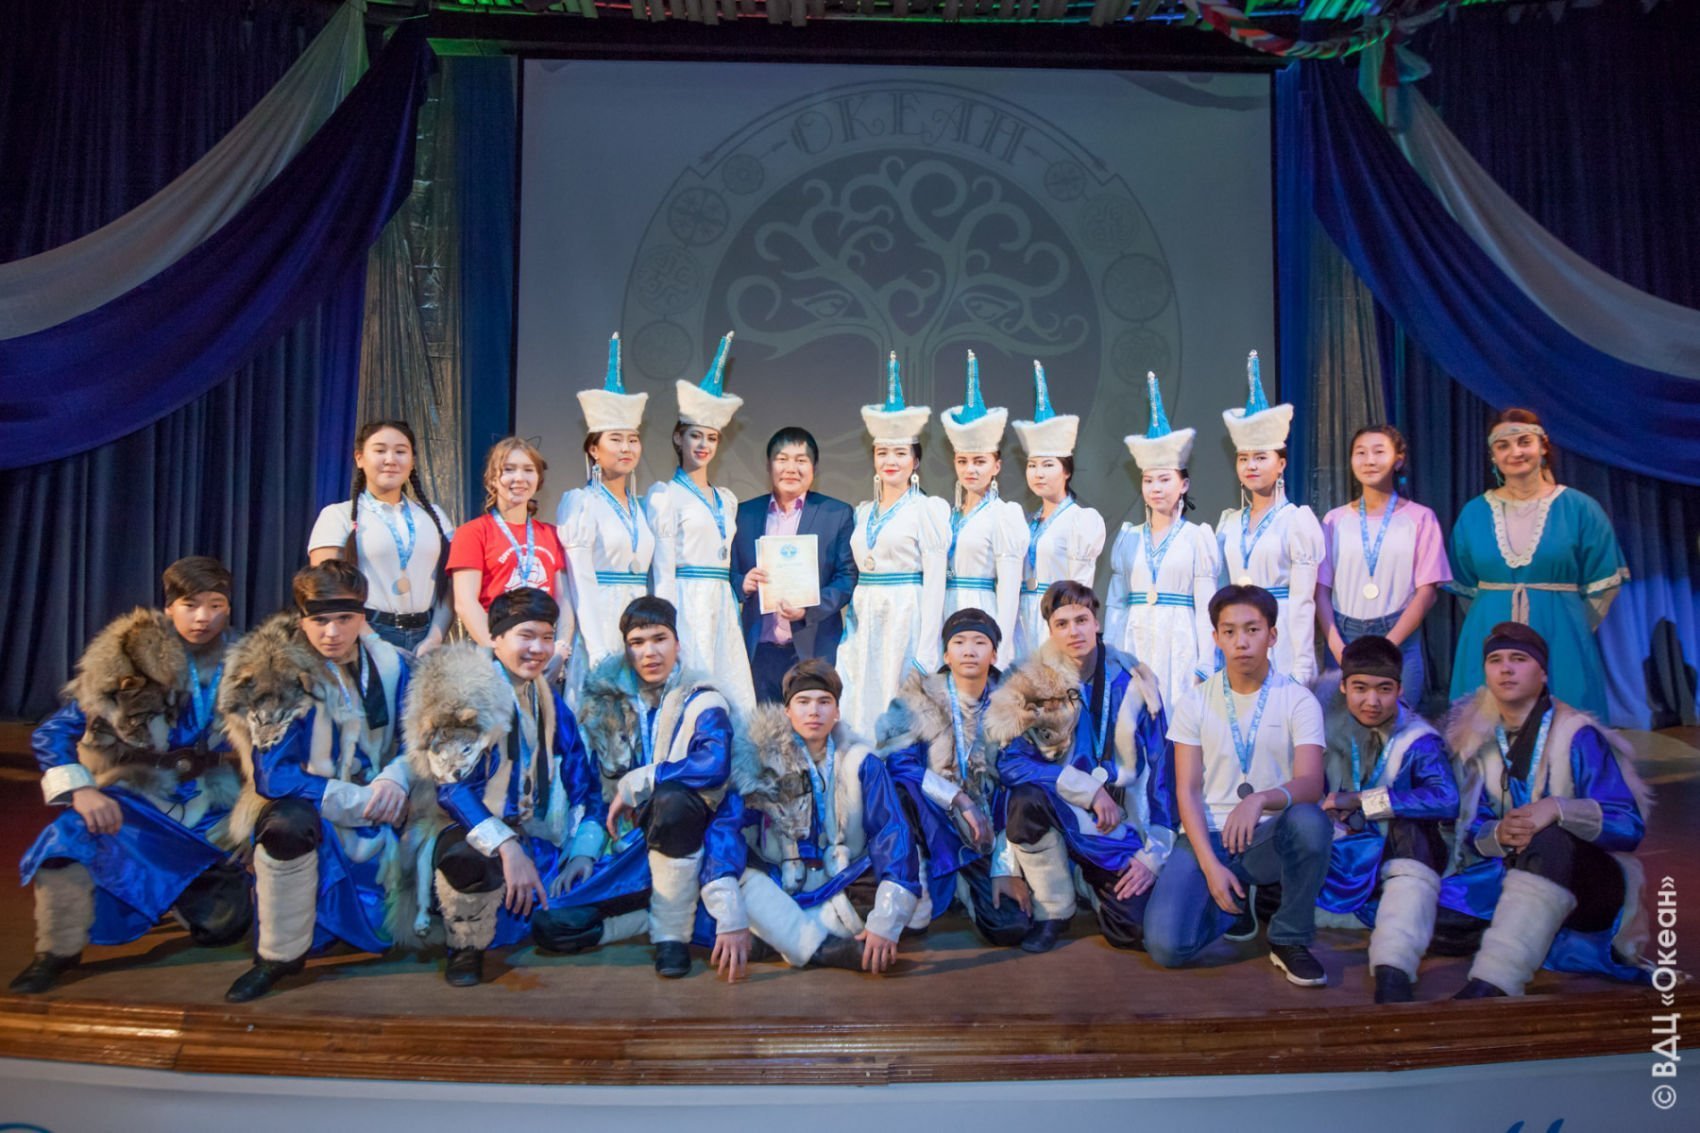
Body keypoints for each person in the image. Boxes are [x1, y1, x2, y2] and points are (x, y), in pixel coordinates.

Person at [12, 557, 251, 994]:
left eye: (216, 605)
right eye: (190, 605)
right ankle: (56, 952)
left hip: (211, 810)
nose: (203, 617)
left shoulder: (248, 663)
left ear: (229, 608)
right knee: (67, 837)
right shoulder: (127, 657)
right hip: (140, 801)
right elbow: (53, 732)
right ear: (169, 607)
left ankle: (180, 894)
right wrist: (80, 790)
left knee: (224, 928)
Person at [219, 561, 419, 1002]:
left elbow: (418, 739)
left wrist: (397, 779)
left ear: (363, 616)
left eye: (345, 618)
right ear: (301, 619)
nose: (332, 633)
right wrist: (355, 800)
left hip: (384, 802)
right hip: (310, 800)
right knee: (285, 826)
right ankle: (276, 957)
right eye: (320, 620)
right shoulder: (275, 674)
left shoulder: (392, 665)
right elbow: (274, 776)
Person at [403, 588, 605, 987]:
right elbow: (453, 790)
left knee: (614, 870)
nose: (539, 649)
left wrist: (583, 850)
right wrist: (506, 846)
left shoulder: (548, 700)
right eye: (526, 635)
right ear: (495, 638)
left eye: (547, 637)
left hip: (532, 836)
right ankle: (465, 945)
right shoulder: (464, 694)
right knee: (469, 855)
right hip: (461, 830)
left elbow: (585, 784)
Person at [1441, 622, 1651, 998]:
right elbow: (1469, 828)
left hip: (1586, 882)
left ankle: (1495, 979)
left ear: (1543, 673)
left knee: (1549, 839)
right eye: (1495, 660)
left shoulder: (1577, 735)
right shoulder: (1479, 740)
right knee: (1425, 909)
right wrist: (1498, 833)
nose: (1506, 669)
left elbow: (1629, 825)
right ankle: (1522, 936)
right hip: (1508, 874)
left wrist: (1557, 809)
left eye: (1518, 659)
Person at [1144, 584, 1333, 987]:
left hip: (1266, 836)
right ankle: (1234, 899)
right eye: (1229, 632)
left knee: (1310, 821)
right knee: (1166, 948)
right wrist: (1210, 867)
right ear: (1216, 638)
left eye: (1252, 630)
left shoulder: (1298, 700)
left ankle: (1289, 938)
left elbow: (1311, 783)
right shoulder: (1195, 701)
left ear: (1272, 635)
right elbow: (1186, 791)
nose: (1241, 642)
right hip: (1208, 834)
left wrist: (1261, 800)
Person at [983, 580, 1175, 954]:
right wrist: (1084, 788)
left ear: (1097, 623)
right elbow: (1010, 763)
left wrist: (1155, 853)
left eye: (1081, 620)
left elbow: (1161, 769)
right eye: (1062, 624)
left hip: (1114, 825)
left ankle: (1088, 879)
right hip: (1058, 810)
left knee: (1131, 931)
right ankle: (1054, 908)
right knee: (1024, 799)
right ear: (1051, 631)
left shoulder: (1132, 683)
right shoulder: (1029, 684)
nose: (1074, 632)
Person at [573, 596, 738, 978]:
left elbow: (714, 765)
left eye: (659, 638)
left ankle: (671, 936)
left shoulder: (703, 699)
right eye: (637, 642)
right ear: (627, 650)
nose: (650, 652)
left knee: (672, 800)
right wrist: (583, 851)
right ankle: (641, 918)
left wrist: (641, 780)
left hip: (690, 840)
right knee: (555, 926)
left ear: (677, 643)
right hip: (626, 845)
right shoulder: (605, 705)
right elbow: (596, 791)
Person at [723, 659, 923, 973]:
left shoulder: (862, 762)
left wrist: (886, 921)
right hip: (780, 881)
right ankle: (825, 949)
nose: (813, 712)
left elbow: (890, 834)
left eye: (824, 702)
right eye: (803, 702)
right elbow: (728, 832)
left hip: (842, 882)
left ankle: (781, 936)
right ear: (787, 711)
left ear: (837, 711)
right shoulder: (757, 762)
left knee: (891, 887)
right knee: (729, 876)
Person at [1446, 408, 1627, 721]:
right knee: (1484, 730)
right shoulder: (1473, 513)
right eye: (1503, 445)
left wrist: (1571, 626)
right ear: (1493, 456)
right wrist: (1491, 619)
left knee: (1565, 725)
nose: (1515, 452)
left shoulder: (1580, 508)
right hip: (1488, 632)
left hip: (1561, 635)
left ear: (1543, 447)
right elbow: (1465, 587)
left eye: (1524, 442)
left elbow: (1603, 584)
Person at [1317, 635, 1459, 1003]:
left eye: (1384, 689)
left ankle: (1393, 965)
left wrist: (1365, 801)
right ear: (1343, 687)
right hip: (1342, 856)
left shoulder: (1417, 739)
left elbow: (1446, 798)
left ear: (1399, 689)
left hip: (1396, 856)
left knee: (1412, 829)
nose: (1372, 701)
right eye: (1360, 689)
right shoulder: (1321, 728)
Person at [878, 607, 1031, 947]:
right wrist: (958, 798)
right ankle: (914, 881)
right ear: (946, 655)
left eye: (980, 642)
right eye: (959, 642)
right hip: (935, 823)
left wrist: (1003, 867)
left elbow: (1016, 788)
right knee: (900, 788)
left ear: (994, 655)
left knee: (1011, 927)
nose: (969, 651)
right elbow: (900, 764)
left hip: (984, 834)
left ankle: (967, 885)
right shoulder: (918, 700)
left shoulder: (1012, 708)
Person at [834, 352, 950, 737]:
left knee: (899, 707)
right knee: (859, 701)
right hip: (865, 617)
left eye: (901, 453)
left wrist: (927, 651)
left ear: (915, 461)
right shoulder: (863, 511)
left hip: (905, 615)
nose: (891, 461)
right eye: (882, 452)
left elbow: (935, 582)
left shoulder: (928, 510)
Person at [646, 332, 756, 718]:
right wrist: (668, 628)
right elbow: (662, 571)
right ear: (679, 437)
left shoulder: (726, 499)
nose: (703, 445)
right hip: (686, 601)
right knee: (689, 693)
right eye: (695, 435)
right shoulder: (665, 496)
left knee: (730, 692)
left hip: (720, 603)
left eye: (711, 437)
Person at [1106, 372, 1219, 708]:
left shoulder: (1197, 538)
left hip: (1180, 643)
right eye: (1148, 480)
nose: (1156, 488)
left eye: (1164, 480)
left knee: (1178, 718)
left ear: (1183, 484)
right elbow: (1116, 605)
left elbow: (1207, 607)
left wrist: (1205, 663)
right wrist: (1112, 657)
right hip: (1135, 643)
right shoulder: (1128, 538)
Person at [1316, 424, 1449, 705]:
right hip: (1344, 637)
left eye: (1379, 452)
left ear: (1398, 459)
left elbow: (1427, 592)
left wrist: (1386, 645)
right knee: (1341, 725)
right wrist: (1337, 647)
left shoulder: (1421, 518)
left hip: (1399, 639)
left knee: (1398, 723)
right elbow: (1321, 590)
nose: (1369, 460)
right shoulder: (1334, 520)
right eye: (1360, 452)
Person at [1214, 351, 1325, 685]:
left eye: (1261, 457)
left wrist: (1303, 664)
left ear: (1281, 464)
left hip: (1281, 636)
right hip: (1238, 638)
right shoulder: (1229, 523)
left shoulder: (1296, 521)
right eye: (1243, 458)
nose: (1251, 466)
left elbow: (1303, 601)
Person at [557, 335, 657, 703]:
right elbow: (580, 580)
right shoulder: (581, 503)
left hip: (640, 623)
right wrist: (598, 648)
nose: (627, 448)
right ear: (594, 449)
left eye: (633, 439)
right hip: (599, 620)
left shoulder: (643, 506)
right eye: (616, 439)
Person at [731, 426, 858, 704]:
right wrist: (742, 583)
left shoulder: (836, 514)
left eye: (801, 460)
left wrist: (809, 608)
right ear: (769, 465)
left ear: (814, 468)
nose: (791, 468)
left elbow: (847, 578)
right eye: (782, 459)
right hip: (759, 649)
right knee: (762, 727)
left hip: (814, 648)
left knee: (812, 726)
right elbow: (728, 573)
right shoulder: (743, 514)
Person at [308, 419, 455, 655]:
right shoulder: (337, 515)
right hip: (365, 635)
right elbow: (327, 589)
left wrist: (435, 637)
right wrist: (374, 641)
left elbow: (451, 585)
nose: (390, 460)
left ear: (412, 461)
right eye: (380, 450)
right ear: (359, 458)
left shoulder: (435, 516)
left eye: (401, 452)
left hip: (427, 636)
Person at [1011, 360, 1105, 662]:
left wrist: (1071, 629)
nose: (1038, 473)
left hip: (1057, 624)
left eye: (1048, 465)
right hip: (1022, 623)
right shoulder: (1025, 521)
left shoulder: (1080, 521)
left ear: (1066, 471)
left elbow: (1080, 589)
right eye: (1032, 465)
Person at [938, 350, 1026, 670]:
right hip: (945, 610)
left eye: (979, 461)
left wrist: (1002, 642)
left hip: (981, 611)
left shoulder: (1004, 515)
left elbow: (1010, 587)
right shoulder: (947, 514)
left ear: (996, 466)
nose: (970, 469)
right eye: (963, 461)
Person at [447, 435, 571, 656]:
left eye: (528, 470)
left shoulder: (553, 534)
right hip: (493, 650)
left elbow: (564, 600)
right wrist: (498, 651)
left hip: (542, 651)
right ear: (492, 479)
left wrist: (560, 649)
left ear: (538, 479)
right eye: (509, 469)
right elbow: (465, 603)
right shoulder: (472, 533)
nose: (519, 478)